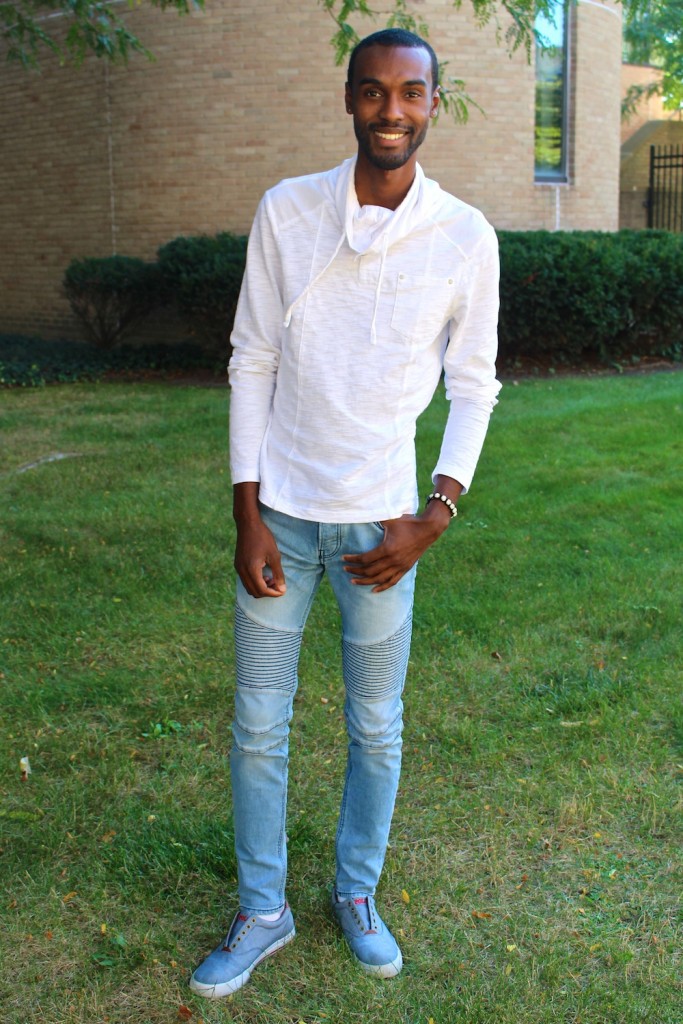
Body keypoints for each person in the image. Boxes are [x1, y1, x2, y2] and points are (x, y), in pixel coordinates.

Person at [189, 27, 500, 999]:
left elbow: (473, 385)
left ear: (432, 104)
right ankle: (262, 909)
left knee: (375, 725)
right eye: (372, 92)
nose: (390, 112)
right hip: (281, 516)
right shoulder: (286, 211)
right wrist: (245, 512)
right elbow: (251, 358)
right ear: (349, 99)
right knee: (257, 724)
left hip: (380, 532)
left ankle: (355, 892)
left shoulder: (463, 236)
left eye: (409, 93)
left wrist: (434, 514)